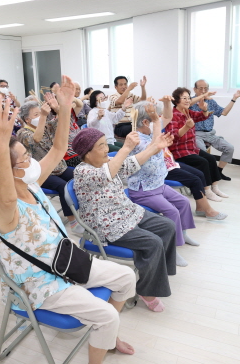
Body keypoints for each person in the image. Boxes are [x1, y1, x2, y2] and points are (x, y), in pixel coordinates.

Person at [0, 77, 137, 364]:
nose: (29, 161)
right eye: (21, 159)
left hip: (66, 260)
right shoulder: (4, 206)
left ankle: (104, 337)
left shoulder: (33, 184)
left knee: (125, 279)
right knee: (107, 315)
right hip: (40, 283)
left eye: (27, 155)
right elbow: (6, 191)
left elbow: (57, 148)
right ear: (5, 170)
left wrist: (66, 108)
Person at [73, 127, 177, 313]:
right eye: (101, 145)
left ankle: (158, 274)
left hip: (126, 211)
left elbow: (132, 163)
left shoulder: (107, 162)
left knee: (167, 226)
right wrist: (126, 147)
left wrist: (155, 147)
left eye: (106, 143)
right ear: (87, 154)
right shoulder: (83, 172)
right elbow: (109, 173)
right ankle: (147, 290)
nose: (106, 149)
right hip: (107, 224)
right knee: (153, 243)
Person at [128, 101, 196, 264]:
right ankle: (172, 250)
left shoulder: (150, 133)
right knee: (172, 211)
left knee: (184, 202)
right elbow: (154, 147)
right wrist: (157, 122)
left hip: (158, 185)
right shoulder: (136, 139)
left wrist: (163, 109)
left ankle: (183, 235)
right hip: (143, 191)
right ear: (145, 122)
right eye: (154, 118)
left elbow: (165, 119)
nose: (159, 120)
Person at [16, 99, 83, 233]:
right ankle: (72, 221)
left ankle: (84, 210)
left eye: (40, 113)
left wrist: (58, 108)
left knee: (81, 176)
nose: (40, 116)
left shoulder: (46, 125)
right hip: (42, 173)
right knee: (63, 187)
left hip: (59, 166)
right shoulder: (22, 133)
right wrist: (44, 116)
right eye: (36, 114)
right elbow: (36, 139)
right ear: (27, 119)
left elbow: (65, 122)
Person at [166, 88, 228, 200]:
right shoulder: (173, 115)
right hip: (179, 151)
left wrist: (204, 110)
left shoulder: (187, 112)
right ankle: (207, 190)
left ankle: (215, 187)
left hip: (191, 149)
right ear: (176, 101)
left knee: (211, 158)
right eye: (184, 98)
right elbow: (174, 135)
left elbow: (201, 116)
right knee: (203, 162)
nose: (188, 100)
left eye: (189, 98)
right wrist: (186, 127)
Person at [190, 81, 240, 181]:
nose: (203, 91)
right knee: (203, 153)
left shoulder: (211, 102)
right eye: (200, 88)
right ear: (194, 89)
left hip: (210, 133)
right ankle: (205, 175)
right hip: (195, 133)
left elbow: (224, 112)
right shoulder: (190, 102)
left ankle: (218, 172)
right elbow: (186, 104)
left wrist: (234, 98)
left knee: (229, 148)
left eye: (205, 88)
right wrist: (202, 98)